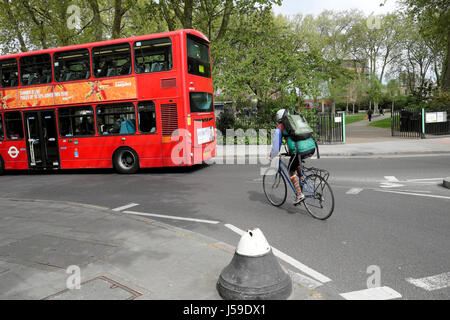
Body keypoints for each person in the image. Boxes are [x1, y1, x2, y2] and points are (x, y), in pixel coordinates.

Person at [269, 109, 306, 205]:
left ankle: (299, 195)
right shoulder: (295, 122)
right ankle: (302, 178)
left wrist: (271, 155)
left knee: (290, 170)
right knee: (296, 163)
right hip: (307, 148)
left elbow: (276, 147)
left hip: (297, 151)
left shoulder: (280, 128)